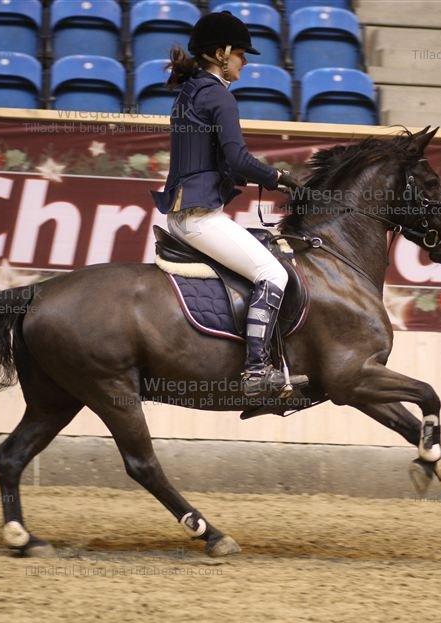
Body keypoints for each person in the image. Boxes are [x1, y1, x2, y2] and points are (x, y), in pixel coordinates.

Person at [151, 11, 301, 398]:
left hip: (185, 213)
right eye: (240, 54)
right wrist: (280, 179)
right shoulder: (218, 95)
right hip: (199, 217)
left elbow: (209, 158)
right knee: (274, 273)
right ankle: (255, 371)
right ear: (220, 53)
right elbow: (237, 159)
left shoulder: (191, 91)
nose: (245, 62)